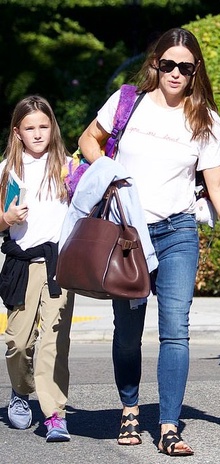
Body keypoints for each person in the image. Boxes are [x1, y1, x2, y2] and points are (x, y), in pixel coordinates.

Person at [76, 27, 220, 456]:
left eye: (186, 67)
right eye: (169, 64)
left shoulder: (205, 119)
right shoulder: (127, 102)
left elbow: (217, 186)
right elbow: (88, 140)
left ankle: (170, 425)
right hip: (129, 235)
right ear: (155, 64)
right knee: (128, 330)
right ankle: (129, 408)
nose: (176, 73)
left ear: (195, 72)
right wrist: (111, 177)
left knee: (176, 330)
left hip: (178, 232)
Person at [0, 95, 75, 442]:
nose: (38, 133)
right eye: (30, 128)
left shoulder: (67, 165)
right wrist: (6, 219)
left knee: (52, 340)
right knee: (17, 341)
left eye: (44, 126)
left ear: (52, 128)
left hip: (59, 264)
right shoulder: (6, 171)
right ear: (17, 132)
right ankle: (20, 389)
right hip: (22, 264)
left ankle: (54, 414)